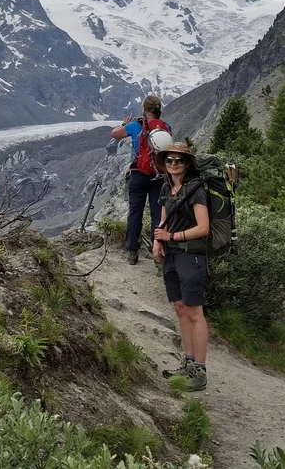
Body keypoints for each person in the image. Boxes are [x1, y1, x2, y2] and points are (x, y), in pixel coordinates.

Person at [150, 142, 210, 391]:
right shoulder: (166, 187)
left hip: (191, 255)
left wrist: (171, 238)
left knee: (195, 312)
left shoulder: (196, 189)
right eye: (169, 160)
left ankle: (200, 370)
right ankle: (188, 362)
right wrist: (157, 241)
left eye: (179, 160)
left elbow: (203, 228)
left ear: (187, 164)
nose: (173, 164)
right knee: (180, 307)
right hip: (173, 255)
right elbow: (164, 220)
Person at [110, 95, 172, 265]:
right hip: (158, 176)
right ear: (159, 109)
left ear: (144, 109)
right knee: (157, 214)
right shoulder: (166, 127)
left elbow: (114, 134)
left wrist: (124, 124)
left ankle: (132, 251)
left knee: (135, 212)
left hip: (138, 174)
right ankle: (158, 250)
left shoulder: (135, 126)